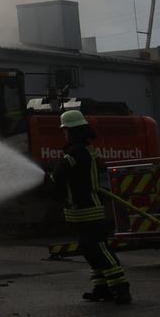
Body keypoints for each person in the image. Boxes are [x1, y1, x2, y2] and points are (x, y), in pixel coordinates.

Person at [49, 109, 131, 304]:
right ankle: (102, 287)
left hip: (88, 210)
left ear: (72, 131)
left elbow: (58, 176)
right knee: (89, 249)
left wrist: (50, 181)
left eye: (65, 130)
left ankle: (121, 288)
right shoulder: (85, 150)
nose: (64, 134)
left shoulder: (75, 153)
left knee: (99, 249)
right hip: (83, 210)